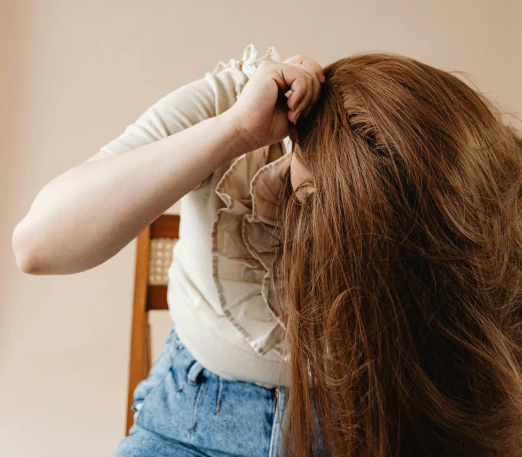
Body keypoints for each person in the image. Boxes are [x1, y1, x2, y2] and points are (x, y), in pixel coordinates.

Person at [12, 44, 522, 457]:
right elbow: (37, 245)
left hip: (368, 429)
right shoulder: (233, 102)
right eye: (306, 196)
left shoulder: (459, 177)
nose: (306, 223)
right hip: (191, 424)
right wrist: (235, 130)